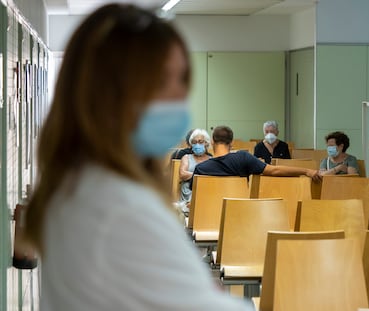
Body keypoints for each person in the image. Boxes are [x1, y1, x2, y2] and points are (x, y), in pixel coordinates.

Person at [24, 4, 253, 311]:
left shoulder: (75, 182)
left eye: (182, 80)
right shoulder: (118, 207)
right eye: (160, 83)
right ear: (108, 93)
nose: (178, 97)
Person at [191, 125, 320, 187]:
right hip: (239, 215)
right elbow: (275, 170)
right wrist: (306, 171)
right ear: (231, 142)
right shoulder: (243, 158)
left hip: (208, 219)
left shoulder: (200, 169)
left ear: (212, 142)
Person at [179, 128, 211, 205]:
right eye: (194, 142)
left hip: (206, 193)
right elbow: (182, 174)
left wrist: (191, 175)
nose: (197, 145)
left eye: (200, 142)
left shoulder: (211, 160)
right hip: (188, 194)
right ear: (191, 145)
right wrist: (200, 175)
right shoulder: (186, 157)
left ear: (206, 143)